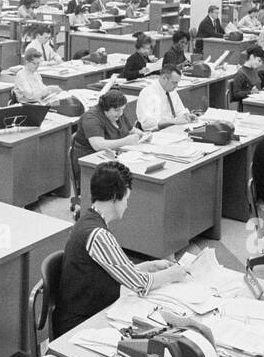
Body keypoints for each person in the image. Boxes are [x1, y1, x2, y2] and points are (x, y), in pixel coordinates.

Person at [52, 162, 189, 337]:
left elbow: (117, 271)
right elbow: (140, 284)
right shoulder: (98, 235)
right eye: (126, 199)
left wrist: (149, 265)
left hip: (87, 312)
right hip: (78, 326)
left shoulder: (88, 220)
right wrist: (174, 274)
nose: (127, 205)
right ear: (116, 197)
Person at [135, 64, 191, 130]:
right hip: (156, 132)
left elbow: (179, 110)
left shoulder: (172, 90)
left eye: (177, 83)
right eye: (174, 83)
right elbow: (147, 123)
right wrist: (171, 121)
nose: (176, 86)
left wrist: (186, 115)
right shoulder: (148, 93)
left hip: (173, 129)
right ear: (164, 78)